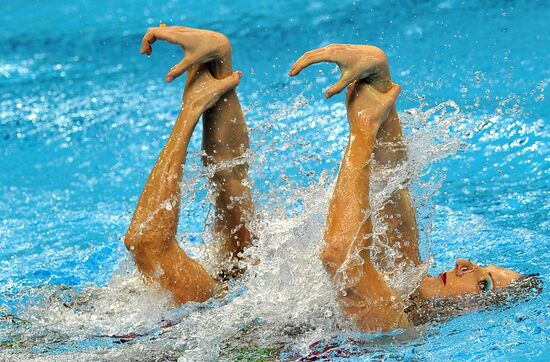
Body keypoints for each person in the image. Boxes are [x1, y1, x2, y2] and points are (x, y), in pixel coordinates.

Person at [125, 25, 537, 332]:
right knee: (233, 210)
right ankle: (218, 67)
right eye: (481, 266)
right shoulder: (406, 274)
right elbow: (392, 182)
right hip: (237, 310)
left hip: (230, 342)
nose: (466, 264)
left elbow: (338, 255)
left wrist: (190, 113)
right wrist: (379, 77)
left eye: (484, 285)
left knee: (159, 245)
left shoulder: (394, 325)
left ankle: (211, 76)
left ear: (474, 317)